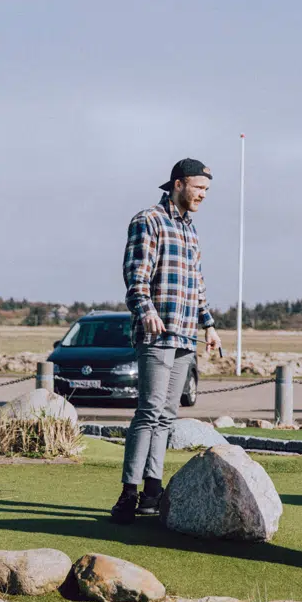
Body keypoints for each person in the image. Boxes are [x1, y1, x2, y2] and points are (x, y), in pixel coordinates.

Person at [111, 158, 222, 523]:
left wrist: (209, 325)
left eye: (207, 190)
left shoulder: (191, 230)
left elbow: (197, 282)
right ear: (178, 184)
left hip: (186, 333)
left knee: (167, 416)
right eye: (199, 189)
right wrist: (147, 311)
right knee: (149, 411)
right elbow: (135, 275)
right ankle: (129, 493)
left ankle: (152, 491)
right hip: (158, 331)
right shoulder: (149, 220)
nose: (204, 196)